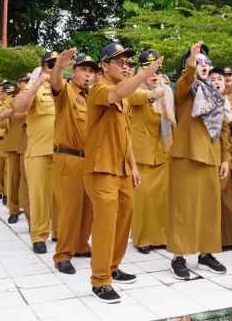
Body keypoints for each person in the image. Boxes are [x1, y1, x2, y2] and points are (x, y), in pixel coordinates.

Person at [84, 43, 161, 304]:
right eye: (120, 63)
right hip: (101, 168)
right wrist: (143, 73)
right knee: (105, 224)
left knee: (123, 221)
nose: (126, 67)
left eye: (129, 63)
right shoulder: (99, 90)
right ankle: (100, 280)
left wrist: (134, 166)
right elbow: (117, 92)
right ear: (103, 66)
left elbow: (125, 134)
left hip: (122, 168)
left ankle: (113, 266)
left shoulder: (125, 95)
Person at [168, 42, 232, 280]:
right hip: (186, 154)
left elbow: (223, 129)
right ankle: (178, 256)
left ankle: (206, 254)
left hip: (212, 156)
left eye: (207, 62)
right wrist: (192, 59)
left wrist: (226, 158)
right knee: (183, 208)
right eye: (199, 62)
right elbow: (187, 78)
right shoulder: (184, 87)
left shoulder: (216, 93)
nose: (204, 66)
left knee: (209, 209)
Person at [50, 49, 96, 274]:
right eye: (83, 70)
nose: (88, 75)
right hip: (68, 158)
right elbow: (56, 83)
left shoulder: (93, 97)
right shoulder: (66, 91)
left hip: (89, 160)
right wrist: (59, 65)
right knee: (69, 208)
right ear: (74, 72)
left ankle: (80, 244)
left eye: (91, 72)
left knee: (88, 207)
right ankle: (63, 254)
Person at [13, 51, 59, 254]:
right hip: (39, 152)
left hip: (63, 152)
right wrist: (39, 83)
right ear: (42, 68)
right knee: (39, 197)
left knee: (61, 197)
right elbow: (18, 106)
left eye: (57, 66)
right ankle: (39, 235)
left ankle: (59, 232)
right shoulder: (34, 87)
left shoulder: (66, 88)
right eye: (50, 65)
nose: (53, 69)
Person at [128, 50, 173, 254]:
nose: (153, 75)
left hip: (164, 151)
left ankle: (161, 236)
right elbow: (135, 98)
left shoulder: (167, 90)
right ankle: (142, 238)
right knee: (143, 199)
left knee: (162, 199)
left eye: (156, 71)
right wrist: (150, 95)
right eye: (148, 70)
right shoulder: (135, 89)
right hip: (142, 154)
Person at [209, 66, 232, 248]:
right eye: (213, 80)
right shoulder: (204, 101)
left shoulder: (227, 101)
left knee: (229, 196)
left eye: (220, 80)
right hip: (211, 153)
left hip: (227, 152)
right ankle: (214, 237)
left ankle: (230, 237)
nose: (217, 83)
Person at [0, 74, 30, 224]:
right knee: (14, 179)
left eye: (29, 82)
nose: (26, 84)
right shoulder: (11, 99)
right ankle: (13, 209)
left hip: (31, 144)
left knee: (29, 181)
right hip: (14, 144)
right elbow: (2, 115)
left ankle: (29, 209)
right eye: (24, 81)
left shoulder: (35, 96)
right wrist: (17, 108)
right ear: (18, 83)